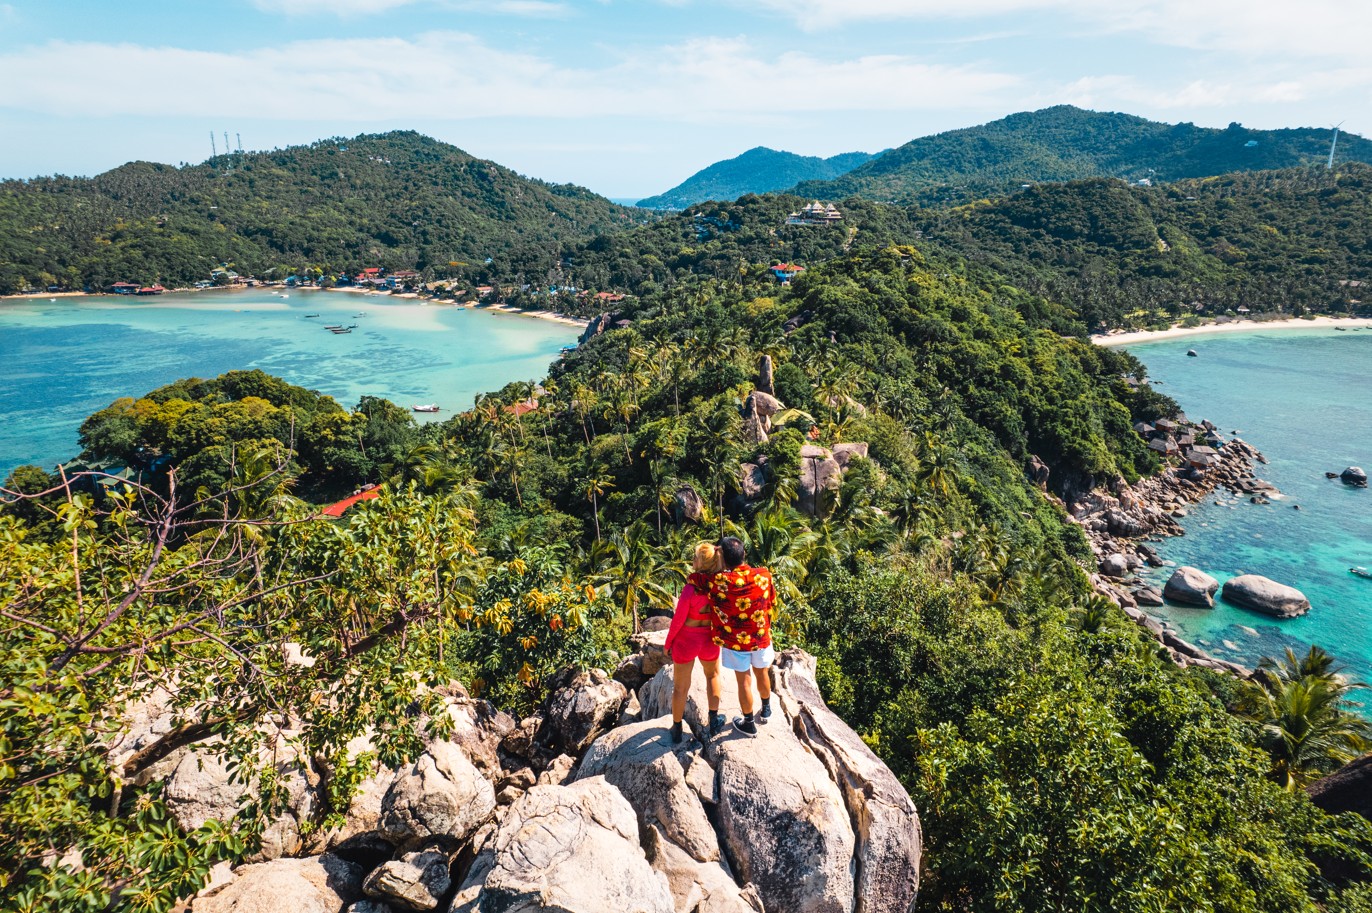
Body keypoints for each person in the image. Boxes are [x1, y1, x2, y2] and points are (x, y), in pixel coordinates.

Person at [707, 536, 775, 736]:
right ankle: (766, 709)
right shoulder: (764, 575)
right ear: (744, 554)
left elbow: (695, 578)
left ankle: (748, 723)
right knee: (762, 673)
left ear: (724, 560)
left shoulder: (720, 581)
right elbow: (771, 599)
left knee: (743, 681)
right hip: (760, 637)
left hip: (737, 643)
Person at [663, 542, 726, 743]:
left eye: (695, 557)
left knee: (681, 688)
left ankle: (676, 727)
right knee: (713, 676)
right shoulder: (720, 586)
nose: (692, 560)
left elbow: (678, 621)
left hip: (686, 641)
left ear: (700, 563)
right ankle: (714, 720)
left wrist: (667, 644)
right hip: (708, 640)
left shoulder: (690, 589)